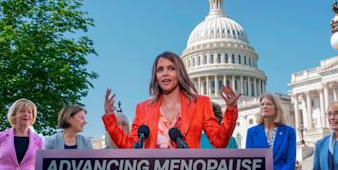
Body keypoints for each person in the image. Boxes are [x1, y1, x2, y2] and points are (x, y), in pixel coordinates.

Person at [102, 51, 240, 148]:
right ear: (155, 76)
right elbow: (130, 146)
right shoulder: (143, 108)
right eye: (160, 70)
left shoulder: (200, 104)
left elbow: (219, 142)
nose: (165, 73)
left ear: (180, 73)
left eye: (171, 68)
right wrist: (110, 119)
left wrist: (231, 110)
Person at [246, 93, 298, 170]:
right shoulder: (252, 132)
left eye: (269, 104)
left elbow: (290, 161)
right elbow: (250, 162)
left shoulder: (289, 132)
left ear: (276, 109)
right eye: (262, 104)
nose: (264, 106)